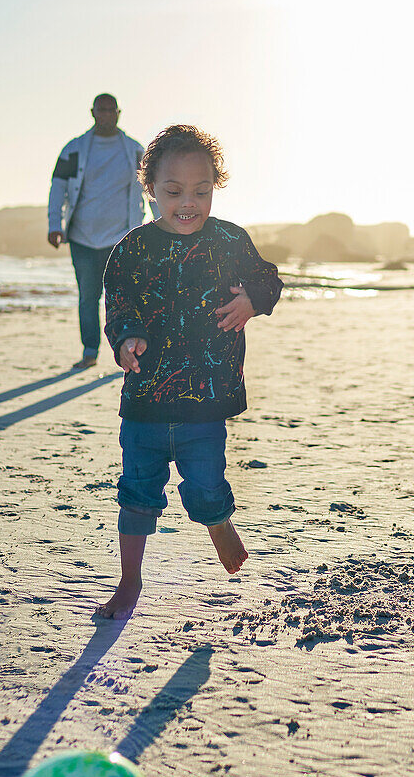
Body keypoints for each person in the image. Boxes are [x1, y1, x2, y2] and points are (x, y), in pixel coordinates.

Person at [95, 125, 283, 620]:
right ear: (150, 187)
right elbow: (118, 301)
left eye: (201, 191)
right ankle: (129, 581)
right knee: (137, 492)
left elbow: (269, 278)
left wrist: (252, 301)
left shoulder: (228, 240)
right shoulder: (133, 249)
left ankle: (217, 522)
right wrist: (126, 337)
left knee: (206, 483)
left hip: (206, 398)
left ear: (215, 186)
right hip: (145, 400)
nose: (188, 203)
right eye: (174, 191)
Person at [47, 93, 150, 369]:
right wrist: (54, 224)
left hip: (123, 239)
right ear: (92, 112)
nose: (105, 115)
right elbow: (57, 187)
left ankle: (131, 351)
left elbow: (152, 191)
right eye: (100, 110)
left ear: (119, 112)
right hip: (82, 237)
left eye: (110, 110)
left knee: (128, 298)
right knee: (88, 297)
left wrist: (162, 227)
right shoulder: (74, 149)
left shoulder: (135, 150)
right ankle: (90, 351)